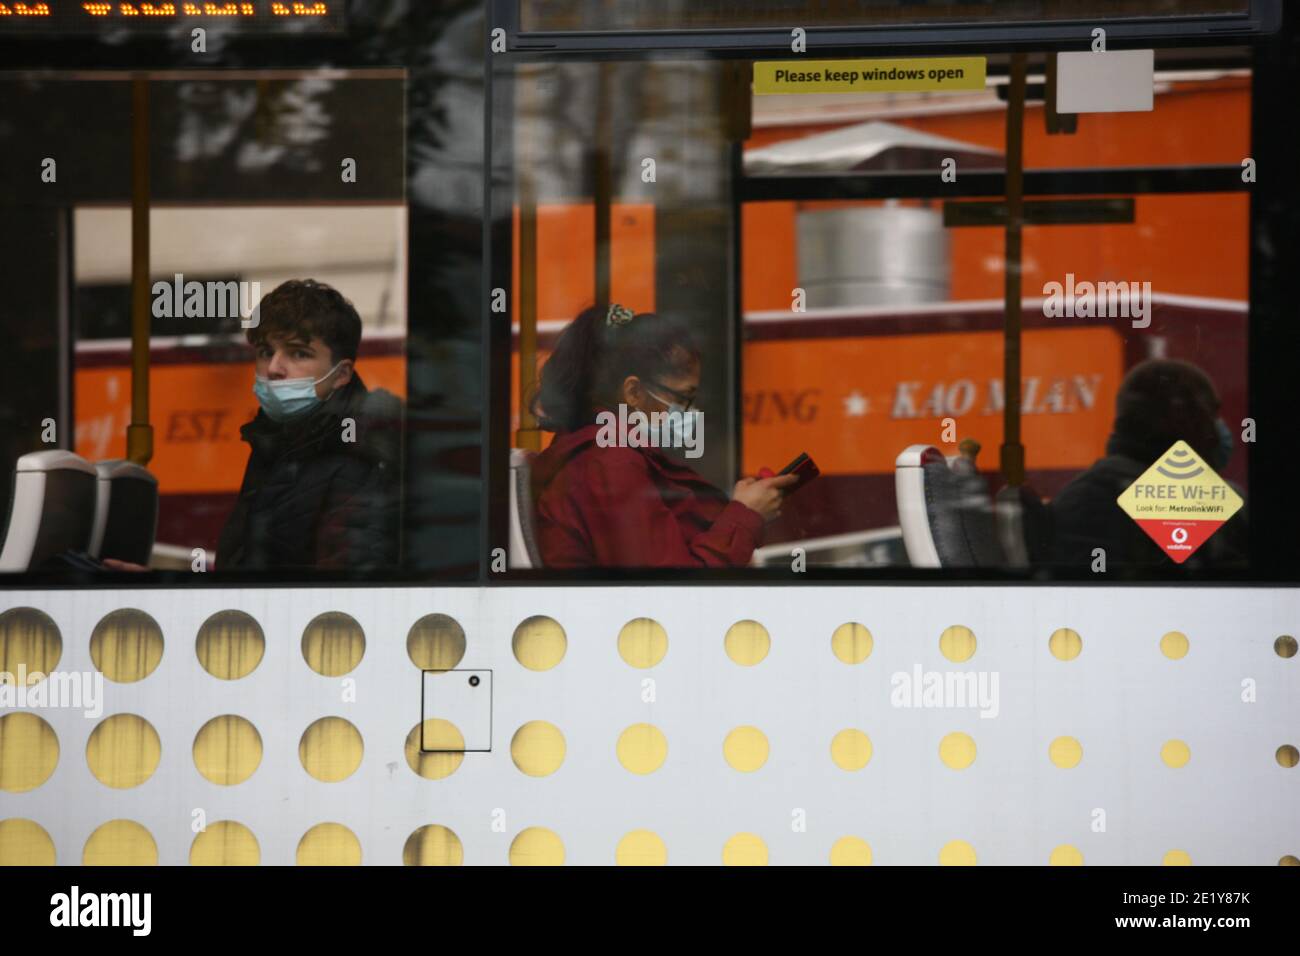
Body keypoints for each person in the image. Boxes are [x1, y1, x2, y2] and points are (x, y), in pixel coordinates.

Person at [528, 303, 794, 568]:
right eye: (682, 398)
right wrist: (746, 516)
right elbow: (671, 589)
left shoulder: (610, 453)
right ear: (633, 393)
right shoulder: (612, 463)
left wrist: (744, 508)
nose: (689, 412)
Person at [216, 279, 402, 570]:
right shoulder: (276, 445)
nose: (274, 368)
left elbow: (347, 596)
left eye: (298, 353)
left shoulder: (359, 459)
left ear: (341, 374)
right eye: (266, 351)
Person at [1048, 358, 1247, 570]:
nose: (1219, 428)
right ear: (1181, 416)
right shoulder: (1217, 502)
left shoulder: (1083, 495)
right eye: (1212, 413)